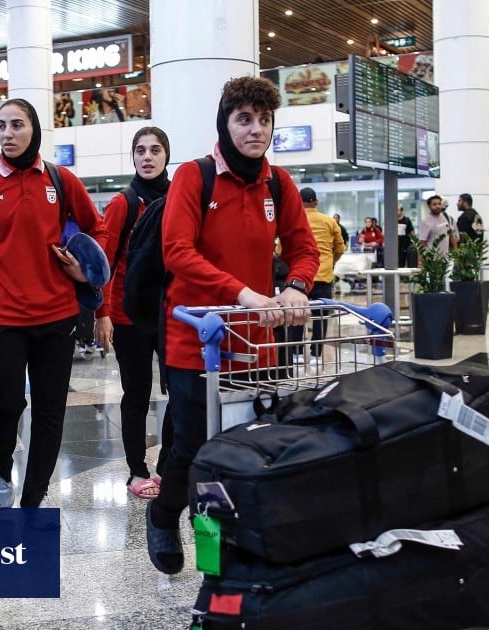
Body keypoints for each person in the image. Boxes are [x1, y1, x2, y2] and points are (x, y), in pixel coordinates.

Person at [145, 76, 319, 574]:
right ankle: (165, 516)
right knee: (192, 449)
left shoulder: (278, 184)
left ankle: (225, 548)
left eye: (264, 120)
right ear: (225, 121)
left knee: (248, 447)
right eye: (245, 119)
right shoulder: (194, 178)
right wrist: (242, 293)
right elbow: (177, 251)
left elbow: (305, 249)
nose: (256, 130)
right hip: (195, 341)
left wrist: (297, 286)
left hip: (255, 342)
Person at [0, 98, 107, 509]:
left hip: (57, 315)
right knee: (6, 403)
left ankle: (35, 494)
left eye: (17, 125)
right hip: (2, 316)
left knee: (51, 410)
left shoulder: (61, 181)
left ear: (35, 130)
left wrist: (86, 272)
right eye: (1, 126)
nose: (8, 134)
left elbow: (97, 230)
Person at [95, 126, 174, 500]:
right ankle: (137, 471)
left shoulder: (180, 198)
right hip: (130, 318)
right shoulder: (123, 204)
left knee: (181, 392)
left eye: (155, 150)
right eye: (140, 150)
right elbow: (104, 264)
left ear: (165, 156)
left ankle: (171, 466)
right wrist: (102, 313)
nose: (147, 157)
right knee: (137, 395)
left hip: (173, 315)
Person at [287, 187, 346, 365]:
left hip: (299, 277)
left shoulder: (293, 221)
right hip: (323, 276)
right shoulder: (329, 222)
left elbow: (281, 249)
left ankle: (296, 353)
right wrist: (331, 262)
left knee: (296, 314)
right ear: (316, 202)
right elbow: (341, 247)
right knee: (321, 316)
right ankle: (316, 354)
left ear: (298, 201)